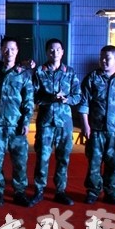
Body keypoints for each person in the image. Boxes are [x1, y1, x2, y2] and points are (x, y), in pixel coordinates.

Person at [79, 45, 115, 206]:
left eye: (107, 58)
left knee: (113, 163)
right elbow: (84, 103)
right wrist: (85, 125)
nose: (103, 61)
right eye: (101, 58)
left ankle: (111, 193)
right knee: (94, 162)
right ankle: (92, 191)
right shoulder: (92, 78)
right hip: (96, 129)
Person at [31, 38, 81, 206]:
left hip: (64, 123)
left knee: (63, 158)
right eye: (51, 50)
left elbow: (78, 96)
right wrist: (49, 98)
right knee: (42, 157)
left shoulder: (70, 72)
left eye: (58, 49)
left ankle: (60, 191)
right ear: (47, 52)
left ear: (62, 52)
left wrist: (67, 99)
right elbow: (34, 96)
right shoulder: (40, 71)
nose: (55, 52)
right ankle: (39, 190)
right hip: (46, 122)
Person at [0, 37, 34, 207]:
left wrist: (26, 122)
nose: (9, 52)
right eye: (6, 49)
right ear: (1, 50)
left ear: (17, 51)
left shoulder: (23, 74)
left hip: (16, 125)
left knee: (20, 162)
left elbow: (28, 100)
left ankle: (19, 192)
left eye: (13, 49)